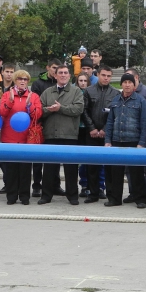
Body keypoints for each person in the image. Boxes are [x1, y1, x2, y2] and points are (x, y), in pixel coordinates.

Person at [38, 64, 84, 206]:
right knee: (49, 169)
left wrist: (60, 108)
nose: (63, 75)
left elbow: (78, 109)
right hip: (51, 135)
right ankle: (46, 195)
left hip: (69, 135)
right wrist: (49, 110)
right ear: (55, 75)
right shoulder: (47, 92)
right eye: (60, 73)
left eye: (65, 73)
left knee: (71, 169)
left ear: (69, 76)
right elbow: (39, 111)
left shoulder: (76, 91)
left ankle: (72, 196)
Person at [104, 73, 146, 209]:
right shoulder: (115, 101)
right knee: (115, 173)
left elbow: (145, 123)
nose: (127, 85)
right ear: (121, 84)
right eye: (125, 82)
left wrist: (141, 143)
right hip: (117, 140)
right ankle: (115, 199)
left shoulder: (141, 101)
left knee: (136, 173)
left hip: (134, 141)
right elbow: (110, 122)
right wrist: (108, 140)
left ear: (134, 85)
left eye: (130, 82)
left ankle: (140, 199)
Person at [0, 70, 42, 205]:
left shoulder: (33, 96)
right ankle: (11, 196)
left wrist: (30, 106)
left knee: (25, 170)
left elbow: (38, 115)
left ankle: (24, 196)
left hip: (26, 139)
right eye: (20, 79)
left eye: (25, 79)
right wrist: (10, 101)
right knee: (10, 170)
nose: (23, 81)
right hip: (9, 137)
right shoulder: (7, 95)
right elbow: (2, 112)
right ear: (15, 80)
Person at [82, 65, 117, 204]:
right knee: (91, 165)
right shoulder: (88, 91)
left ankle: (109, 193)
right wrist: (92, 128)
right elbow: (84, 111)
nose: (106, 78)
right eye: (103, 75)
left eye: (109, 76)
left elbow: (114, 114)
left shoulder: (115, 93)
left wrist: (104, 129)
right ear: (99, 75)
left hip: (106, 134)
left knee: (108, 165)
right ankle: (93, 193)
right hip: (91, 133)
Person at [125, 69, 146, 203]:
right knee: (130, 166)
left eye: (130, 78)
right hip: (129, 136)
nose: (128, 82)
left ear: (137, 78)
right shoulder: (125, 93)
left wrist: (145, 131)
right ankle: (133, 192)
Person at [30, 59, 60, 197]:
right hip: (40, 124)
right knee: (38, 158)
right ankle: (37, 185)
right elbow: (35, 105)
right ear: (48, 67)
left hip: (56, 125)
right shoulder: (38, 84)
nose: (56, 71)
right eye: (54, 68)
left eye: (58, 69)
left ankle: (56, 185)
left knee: (55, 158)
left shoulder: (61, 83)